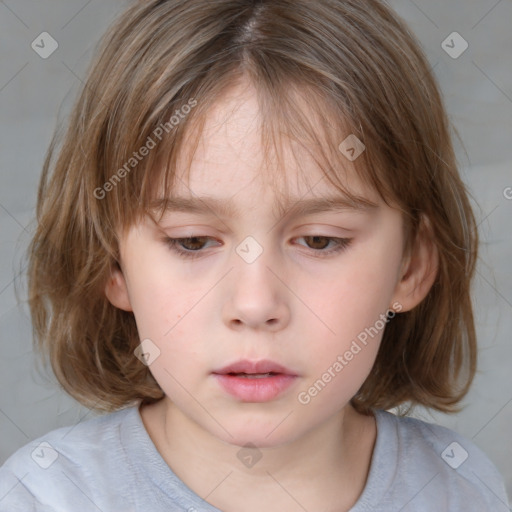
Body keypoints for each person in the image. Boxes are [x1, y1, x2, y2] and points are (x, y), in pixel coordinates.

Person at [0, 0, 509, 510]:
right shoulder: (45, 497)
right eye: (192, 241)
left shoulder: (460, 488)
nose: (254, 303)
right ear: (113, 263)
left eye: (320, 240)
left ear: (411, 266)